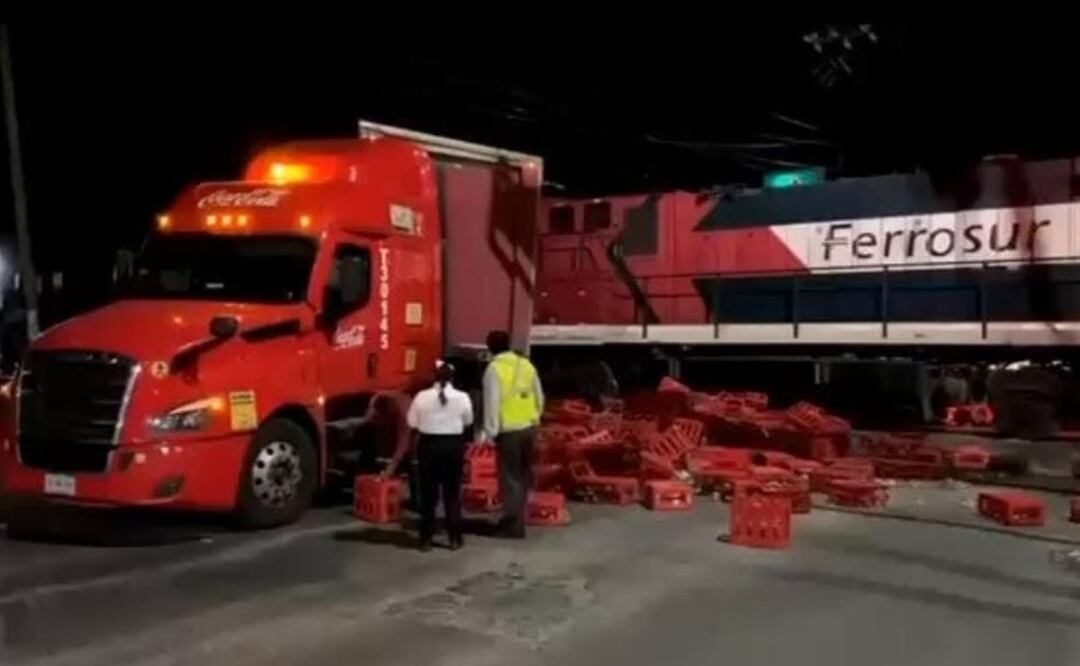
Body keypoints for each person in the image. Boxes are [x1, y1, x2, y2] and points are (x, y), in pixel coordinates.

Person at [385, 361, 473, 551]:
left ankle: (425, 539)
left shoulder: (421, 397)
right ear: (452, 378)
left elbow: (412, 422)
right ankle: (454, 538)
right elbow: (468, 421)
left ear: (435, 377)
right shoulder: (462, 397)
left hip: (429, 445)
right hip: (453, 446)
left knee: (428, 495)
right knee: (452, 494)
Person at [481, 330, 544, 539]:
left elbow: (492, 403)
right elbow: (539, 397)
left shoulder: (494, 369)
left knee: (510, 479)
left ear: (490, 347)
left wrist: (490, 433)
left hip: (509, 432)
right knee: (523, 476)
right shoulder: (526, 365)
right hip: (529, 428)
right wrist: (535, 418)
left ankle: (512, 526)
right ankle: (518, 519)